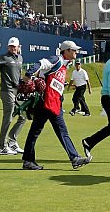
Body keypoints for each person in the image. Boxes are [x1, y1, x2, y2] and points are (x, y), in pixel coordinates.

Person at [21, 40, 91, 171]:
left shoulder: (64, 65)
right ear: (67, 51)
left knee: (38, 132)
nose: (76, 52)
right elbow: (39, 64)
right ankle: (74, 158)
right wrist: (28, 75)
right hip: (46, 102)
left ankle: (28, 161)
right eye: (74, 50)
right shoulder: (56, 59)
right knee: (59, 132)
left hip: (53, 103)